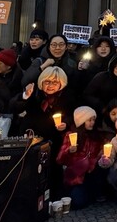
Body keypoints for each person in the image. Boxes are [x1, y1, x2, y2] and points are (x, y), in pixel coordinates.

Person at [10, 66, 74, 199]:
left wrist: (65, 124)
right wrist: (25, 97)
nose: (50, 85)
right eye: (47, 82)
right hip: (33, 136)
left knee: (54, 167)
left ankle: (54, 196)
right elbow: (14, 106)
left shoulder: (67, 96)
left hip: (54, 138)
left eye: (55, 82)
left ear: (61, 83)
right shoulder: (33, 93)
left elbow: (70, 115)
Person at [56, 106, 105, 210]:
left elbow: (100, 152)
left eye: (93, 120)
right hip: (76, 177)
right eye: (89, 120)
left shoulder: (96, 136)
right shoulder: (71, 135)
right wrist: (68, 151)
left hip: (90, 174)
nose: (92, 123)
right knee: (78, 202)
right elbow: (60, 159)